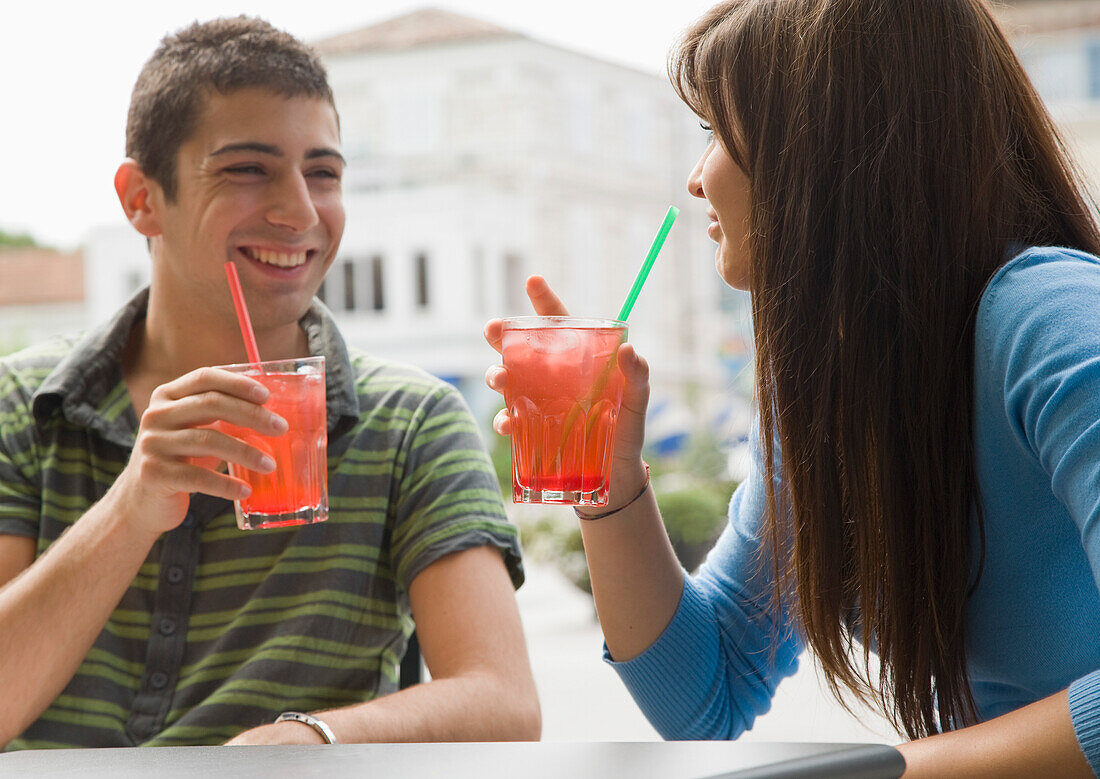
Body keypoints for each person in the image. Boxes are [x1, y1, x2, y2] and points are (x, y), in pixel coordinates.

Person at [486, 0, 1100, 774]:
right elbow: (704, 695)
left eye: (713, 131)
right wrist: (611, 489)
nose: (695, 178)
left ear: (823, 145)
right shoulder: (825, 389)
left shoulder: (1051, 318)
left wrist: (888, 770)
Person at [0, 17, 539, 749]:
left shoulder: (411, 422)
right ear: (141, 199)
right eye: (247, 169)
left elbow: (504, 706)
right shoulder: (22, 405)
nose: (300, 211)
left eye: (324, 173)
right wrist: (130, 507)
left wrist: (312, 736)